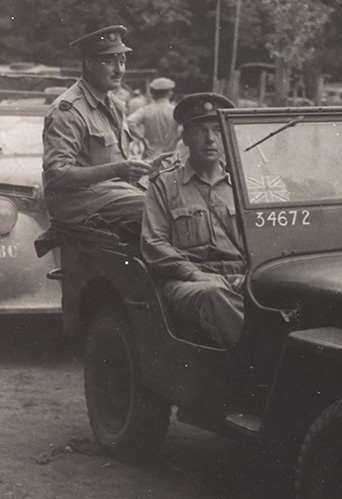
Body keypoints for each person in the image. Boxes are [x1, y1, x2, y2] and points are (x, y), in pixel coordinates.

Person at [42, 25, 170, 236]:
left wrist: (146, 168)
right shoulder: (69, 110)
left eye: (122, 61)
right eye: (109, 61)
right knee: (162, 211)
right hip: (80, 203)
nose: (119, 70)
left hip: (112, 195)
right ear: (89, 64)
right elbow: (57, 175)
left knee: (181, 200)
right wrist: (117, 170)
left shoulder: (116, 105)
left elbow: (115, 165)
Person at [141, 92, 244, 349]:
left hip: (242, 278)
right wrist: (196, 274)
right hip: (189, 283)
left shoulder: (243, 185)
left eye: (217, 130)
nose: (210, 139)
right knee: (214, 296)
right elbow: (154, 243)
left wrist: (251, 275)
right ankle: (257, 368)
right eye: (200, 131)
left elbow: (264, 236)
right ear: (185, 137)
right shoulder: (165, 184)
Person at [127, 77, 180, 160]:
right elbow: (187, 127)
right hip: (171, 153)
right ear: (170, 93)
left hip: (151, 153)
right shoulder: (175, 110)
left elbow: (129, 122)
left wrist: (143, 139)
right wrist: (175, 142)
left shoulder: (145, 110)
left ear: (153, 94)